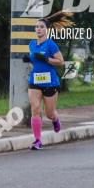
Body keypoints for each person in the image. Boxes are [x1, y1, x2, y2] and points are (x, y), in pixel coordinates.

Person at [24, 11, 72, 150]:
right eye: (37, 27)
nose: (38, 29)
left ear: (47, 30)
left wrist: (47, 59)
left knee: (49, 113)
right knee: (35, 108)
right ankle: (37, 140)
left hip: (50, 82)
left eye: (41, 27)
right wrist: (29, 59)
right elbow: (35, 62)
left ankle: (55, 119)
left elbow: (61, 62)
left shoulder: (51, 45)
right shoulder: (32, 44)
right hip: (35, 81)